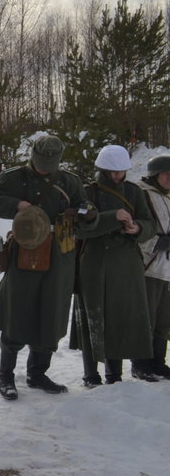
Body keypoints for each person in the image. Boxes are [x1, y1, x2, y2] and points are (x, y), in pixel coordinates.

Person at [0, 134, 98, 400]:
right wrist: (17, 205)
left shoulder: (70, 181)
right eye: (42, 164)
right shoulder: (15, 178)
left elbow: (87, 212)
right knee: (17, 311)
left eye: (50, 165)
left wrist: (86, 213)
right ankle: (6, 375)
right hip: (26, 252)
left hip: (61, 254)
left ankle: (37, 373)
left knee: (52, 313)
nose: (45, 169)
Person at [70, 144, 155, 385]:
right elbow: (80, 229)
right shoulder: (87, 193)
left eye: (121, 171)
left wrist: (137, 228)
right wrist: (112, 217)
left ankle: (114, 375)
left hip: (127, 263)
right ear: (103, 170)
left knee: (119, 316)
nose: (118, 176)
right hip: (94, 262)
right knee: (92, 316)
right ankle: (90, 374)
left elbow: (149, 224)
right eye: (113, 172)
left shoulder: (134, 192)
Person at [138, 154, 170, 379]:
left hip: (166, 268)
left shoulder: (167, 197)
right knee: (146, 318)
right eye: (167, 174)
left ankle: (158, 361)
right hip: (148, 265)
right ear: (155, 175)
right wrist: (158, 243)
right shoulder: (142, 195)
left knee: (164, 318)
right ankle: (141, 363)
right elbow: (137, 229)